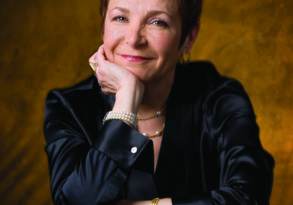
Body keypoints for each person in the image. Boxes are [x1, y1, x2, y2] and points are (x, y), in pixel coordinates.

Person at [43, 0, 274, 205]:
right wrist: (126, 100)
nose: (134, 39)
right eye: (121, 17)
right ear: (103, 24)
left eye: (157, 22)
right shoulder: (69, 105)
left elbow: (248, 195)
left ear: (188, 37)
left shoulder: (218, 97)